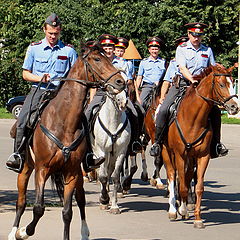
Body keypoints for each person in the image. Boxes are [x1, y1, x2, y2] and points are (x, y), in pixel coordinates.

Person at [6, 13, 101, 173]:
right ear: (44, 30)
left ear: (60, 31)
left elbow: (76, 72)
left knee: (83, 120)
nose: (53, 36)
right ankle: (18, 155)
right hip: (40, 90)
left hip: (62, 95)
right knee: (23, 119)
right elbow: (25, 74)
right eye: (50, 33)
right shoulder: (34, 48)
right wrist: (39, 77)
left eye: (56, 33)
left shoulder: (68, 50)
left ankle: (88, 157)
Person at [150, 22, 228, 158]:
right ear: (189, 34)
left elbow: (212, 68)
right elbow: (182, 67)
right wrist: (191, 79)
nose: (196, 38)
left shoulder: (207, 50)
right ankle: (157, 143)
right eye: (194, 35)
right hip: (182, 84)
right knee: (164, 109)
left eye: (199, 35)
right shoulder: (182, 49)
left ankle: (216, 144)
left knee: (215, 112)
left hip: (201, 88)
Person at [85, 34, 142, 153]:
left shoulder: (122, 63)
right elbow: (93, 82)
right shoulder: (99, 60)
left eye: (110, 47)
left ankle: (135, 142)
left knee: (136, 113)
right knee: (87, 113)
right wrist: (91, 99)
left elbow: (127, 81)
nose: (108, 49)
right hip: (101, 93)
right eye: (105, 47)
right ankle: (87, 147)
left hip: (119, 93)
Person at [135, 37, 166, 110]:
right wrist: (136, 91)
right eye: (152, 49)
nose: (154, 51)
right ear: (149, 50)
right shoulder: (143, 62)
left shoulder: (163, 62)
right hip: (147, 87)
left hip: (160, 88)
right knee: (140, 104)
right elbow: (139, 77)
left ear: (159, 50)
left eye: (156, 49)